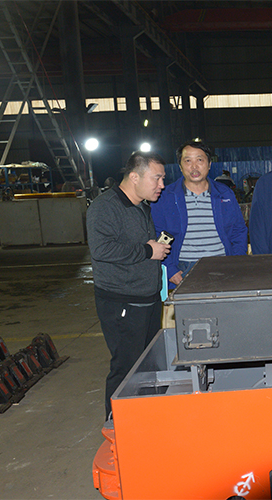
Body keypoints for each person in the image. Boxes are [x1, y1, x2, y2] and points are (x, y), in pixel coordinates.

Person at [86, 151, 170, 420]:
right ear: (134, 177)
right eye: (156, 178)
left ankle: (146, 421)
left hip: (147, 299)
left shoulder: (141, 205)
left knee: (149, 365)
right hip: (122, 302)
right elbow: (101, 249)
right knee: (126, 368)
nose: (161, 185)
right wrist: (147, 251)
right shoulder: (104, 207)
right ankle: (117, 428)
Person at [152, 140, 248, 289]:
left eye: (200, 160)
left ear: (209, 164)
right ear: (180, 166)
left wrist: (235, 262)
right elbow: (156, 234)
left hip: (222, 264)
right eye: (188, 161)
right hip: (183, 268)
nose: (194, 166)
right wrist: (171, 270)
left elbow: (239, 230)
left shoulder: (225, 193)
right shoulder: (165, 196)